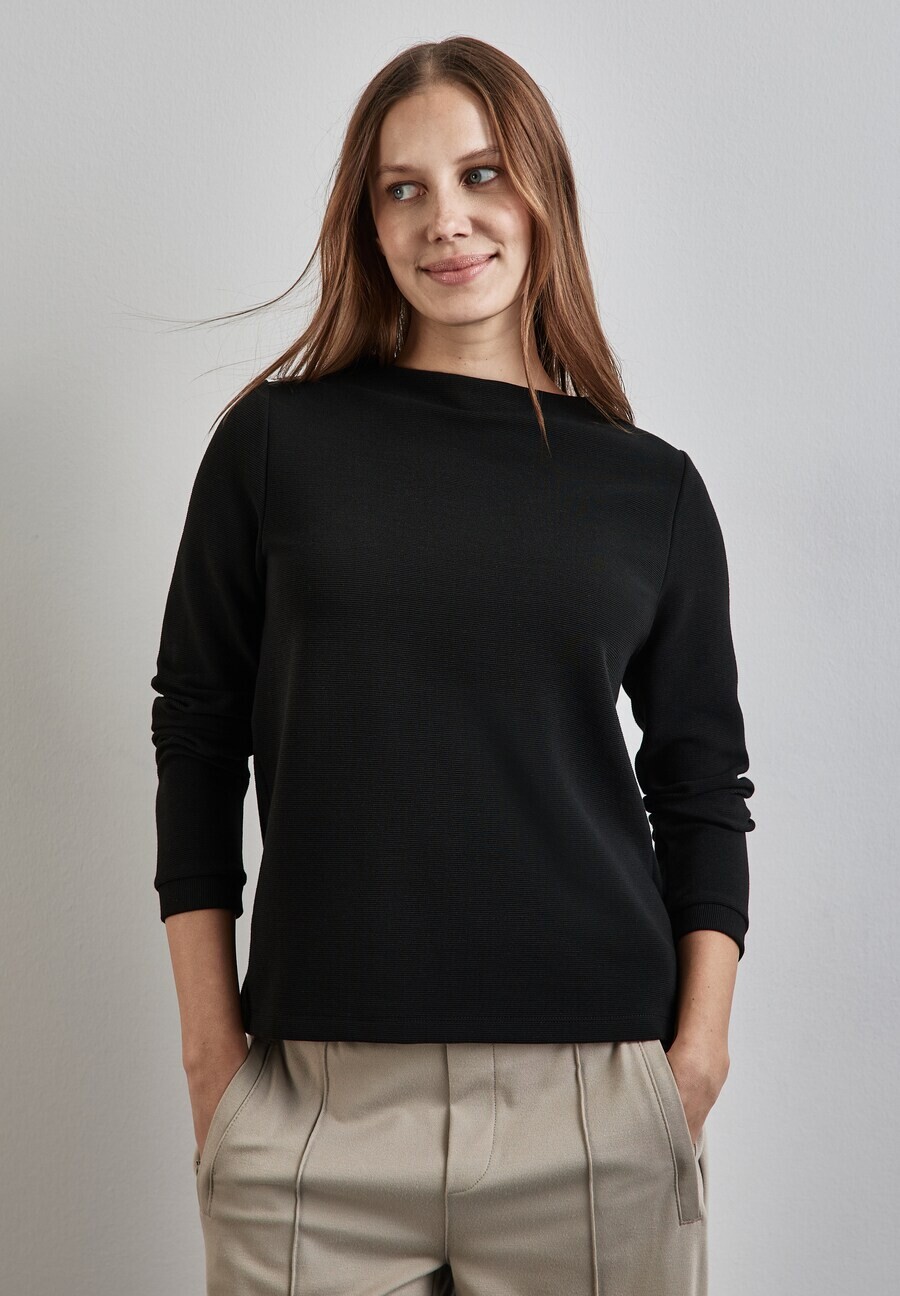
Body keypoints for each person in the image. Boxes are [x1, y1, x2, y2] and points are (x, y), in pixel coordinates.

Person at [150, 35, 755, 1296]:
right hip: (313, 1108)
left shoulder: (649, 491)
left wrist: (696, 1059)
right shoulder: (275, 448)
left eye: (483, 174)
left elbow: (702, 787)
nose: (448, 220)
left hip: (590, 1111)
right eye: (403, 189)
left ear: (542, 192)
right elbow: (196, 737)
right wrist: (213, 1056)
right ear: (367, 223)